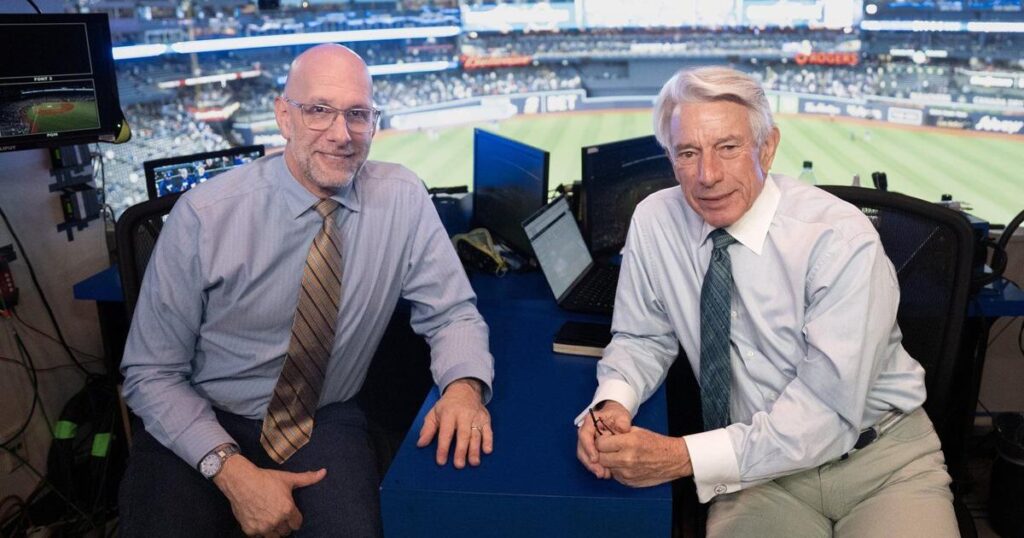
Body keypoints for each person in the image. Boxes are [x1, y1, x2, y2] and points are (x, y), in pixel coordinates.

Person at [119, 44, 494, 538]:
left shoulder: (403, 198)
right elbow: (150, 373)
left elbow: (452, 315)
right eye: (319, 110)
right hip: (203, 416)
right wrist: (232, 472)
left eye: (358, 114)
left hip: (322, 416)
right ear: (284, 116)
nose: (342, 135)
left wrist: (465, 389)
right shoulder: (204, 217)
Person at [575, 66, 958, 537]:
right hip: (759, 477)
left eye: (728, 148)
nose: (707, 175)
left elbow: (827, 412)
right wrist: (613, 402)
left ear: (768, 147)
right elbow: (642, 335)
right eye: (687, 153)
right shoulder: (655, 222)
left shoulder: (839, 239)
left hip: (881, 462)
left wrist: (681, 458)